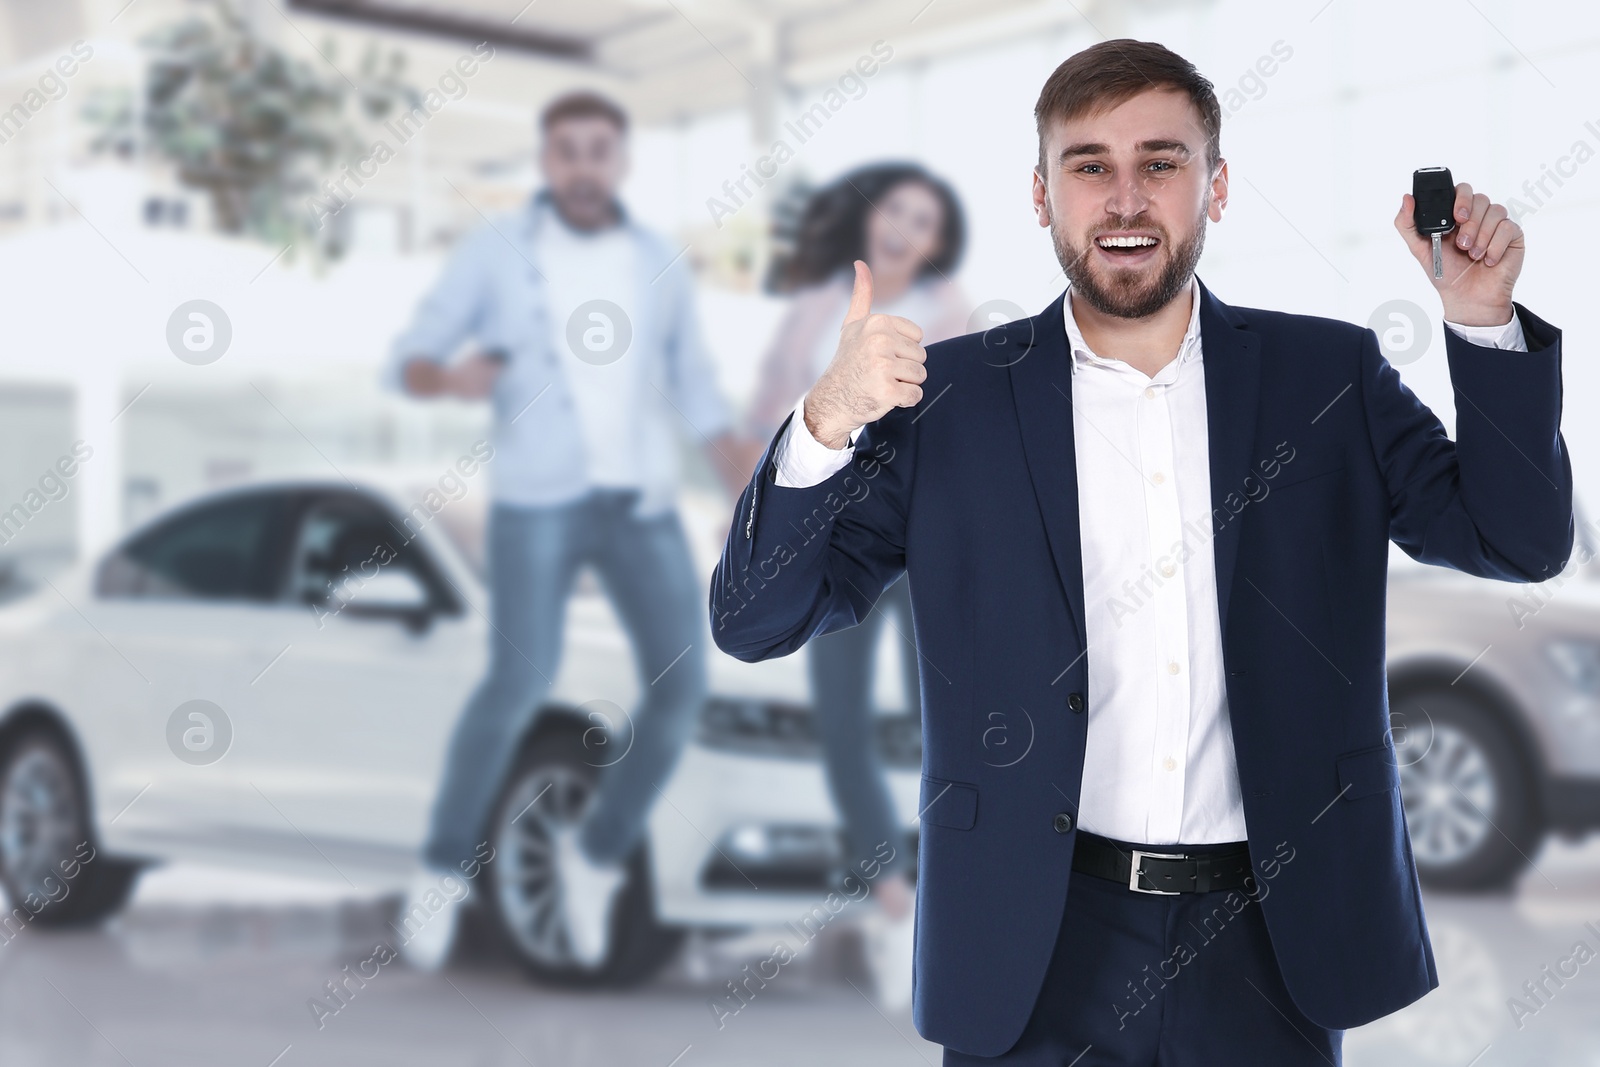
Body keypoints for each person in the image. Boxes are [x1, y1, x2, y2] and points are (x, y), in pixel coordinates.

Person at [710, 39, 1572, 1065]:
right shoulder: (951, 401)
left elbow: (1516, 541)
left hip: (1269, 941)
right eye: (1090, 166)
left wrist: (1479, 326)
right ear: (1041, 195)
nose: (1125, 199)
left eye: (1160, 163)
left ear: (1215, 187)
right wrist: (823, 420)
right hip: (1033, 943)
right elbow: (754, 620)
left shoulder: (1324, 376)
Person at [388, 89, 744, 972]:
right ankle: (439, 868)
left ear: (620, 162)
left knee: (682, 685)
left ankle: (594, 855)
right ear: (547, 163)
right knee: (521, 678)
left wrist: (752, 479)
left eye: (599, 150)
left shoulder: (657, 259)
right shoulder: (495, 252)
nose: (584, 166)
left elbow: (696, 384)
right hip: (537, 503)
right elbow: (412, 356)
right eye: (567, 152)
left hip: (641, 506)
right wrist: (448, 378)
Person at [741, 162, 969, 1008]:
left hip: (916, 540)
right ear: (873, 222)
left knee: (938, 716)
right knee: (841, 722)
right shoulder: (812, 308)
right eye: (898, 210)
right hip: (824, 535)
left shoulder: (951, 312)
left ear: (938, 240)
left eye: (926, 218)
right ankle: (891, 893)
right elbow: (770, 408)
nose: (908, 227)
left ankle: (948, 890)